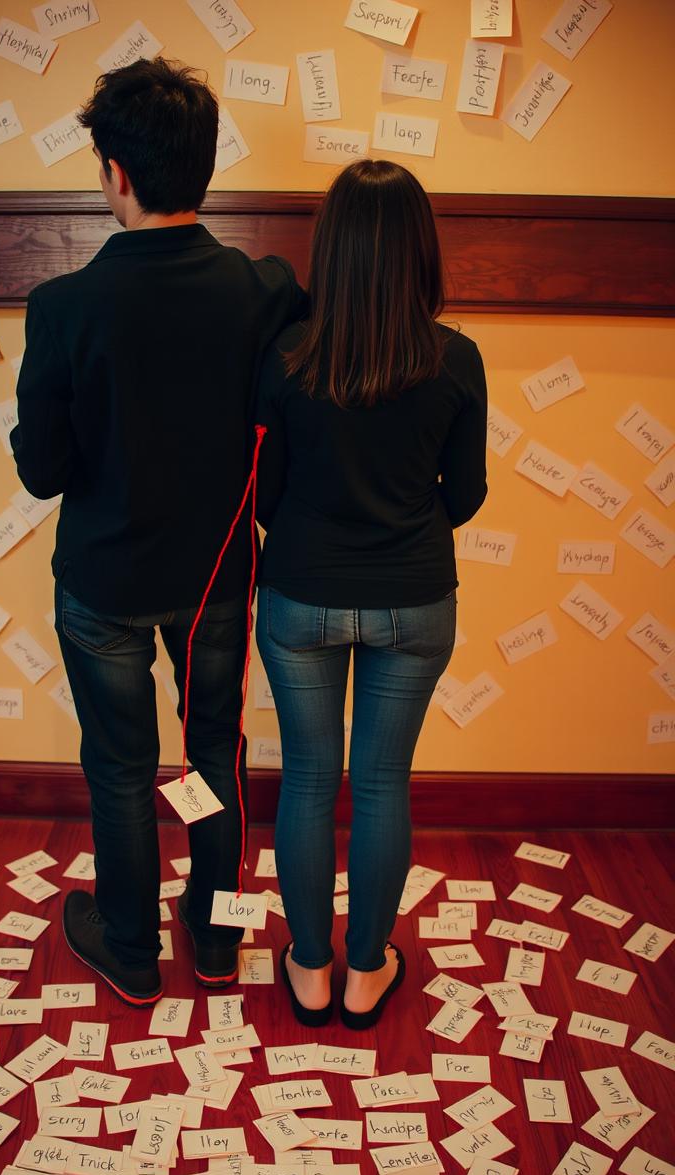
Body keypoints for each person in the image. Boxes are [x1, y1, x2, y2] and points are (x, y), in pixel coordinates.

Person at [11, 58, 306, 1008]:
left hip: (101, 579)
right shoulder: (266, 292)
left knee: (123, 764)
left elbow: (42, 471)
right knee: (213, 751)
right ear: (203, 168)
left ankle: (132, 946)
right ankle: (216, 942)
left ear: (116, 174)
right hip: (219, 574)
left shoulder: (62, 309)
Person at [255, 160, 487, 1030]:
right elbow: (464, 496)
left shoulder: (284, 357)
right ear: (419, 251)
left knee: (311, 782)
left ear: (333, 251)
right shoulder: (457, 359)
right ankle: (366, 974)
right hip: (415, 598)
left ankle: (308, 971)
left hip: (301, 595)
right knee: (384, 783)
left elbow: (265, 493)